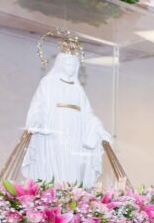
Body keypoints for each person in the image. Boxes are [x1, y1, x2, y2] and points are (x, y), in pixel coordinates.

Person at [21, 44, 113, 187]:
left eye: (74, 64)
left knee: (74, 167)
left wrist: (99, 129)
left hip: (76, 133)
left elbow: (88, 115)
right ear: (61, 64)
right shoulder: (48, 83)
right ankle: (56, 194)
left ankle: (72, 196)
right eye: (68, 64)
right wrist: (36, 121)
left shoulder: (78, 89)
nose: (71, 67)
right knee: (56, 163)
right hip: (55, 130)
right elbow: (38, 106)